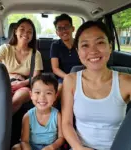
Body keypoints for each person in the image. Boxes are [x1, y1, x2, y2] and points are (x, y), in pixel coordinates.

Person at [61, 21, 130, 150]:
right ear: (78, 51)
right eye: (85, 45)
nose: (93, 51)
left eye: (100, 42)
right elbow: (67, 123)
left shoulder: (126, 82)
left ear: (110, 46)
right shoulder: (70, 80)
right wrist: (78, 148)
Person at [0, 18, 43, 113]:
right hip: (4, 83)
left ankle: (0, 123)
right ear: (15, 31)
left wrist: (21, 83)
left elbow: (36, 77)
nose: (25, 33)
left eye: (29, 32)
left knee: (16, 100)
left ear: (32, 36)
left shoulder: (36, 54)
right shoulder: (5, 49)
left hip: (24, 85)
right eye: (22, 29)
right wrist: (8, 78)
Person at [12, 73, 65, 150]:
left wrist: (51, 147)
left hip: (50, 148)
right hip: (31, 147)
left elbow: (61, 138)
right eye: (37, 92)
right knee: (16, 147)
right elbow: (24, 141)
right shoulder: (28, 116)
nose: (42, 97)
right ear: (31, 95)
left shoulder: (57, 115)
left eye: (48, 93)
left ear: (55, 96)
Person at [50, 14, 81, 94]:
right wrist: (68, 77)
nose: (64, 31)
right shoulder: (55, 45)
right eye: (60, 29)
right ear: (57, 32)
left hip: (81, 75)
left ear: (73, 28)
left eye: (66, 27)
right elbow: (55, 68)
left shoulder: (80, 44)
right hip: (63, 77)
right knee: (59, 92)